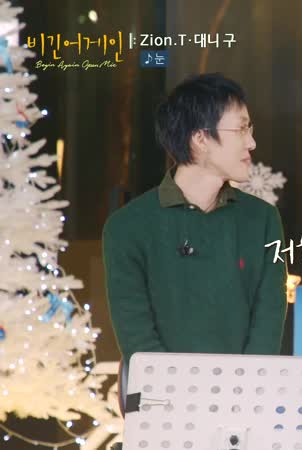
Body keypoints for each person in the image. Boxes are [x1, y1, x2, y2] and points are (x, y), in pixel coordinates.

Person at [103, 73, 288, 377]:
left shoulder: (262, 220)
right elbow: (136, 334)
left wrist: (244, 386)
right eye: (241, 129)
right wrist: (179, 389)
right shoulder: (127, 227)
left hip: (245, 396)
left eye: (250, 129)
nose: (251, 142)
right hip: (162, 396)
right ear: (200, 139)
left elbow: (269, 318)